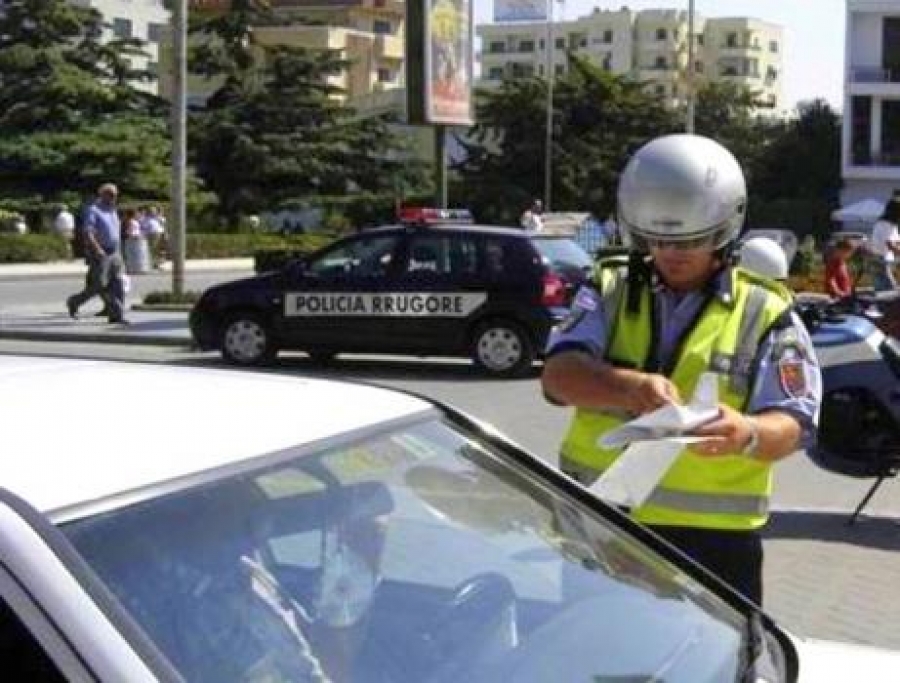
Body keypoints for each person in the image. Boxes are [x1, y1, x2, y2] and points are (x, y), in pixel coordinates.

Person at [541, 134, 822, 605]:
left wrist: (747, 431)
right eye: (660, 240)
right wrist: (627, 387)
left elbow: (795, 421)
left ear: (727, 227)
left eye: (694, 240)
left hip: (713, 545)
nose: (674, 254)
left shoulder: (765, 310)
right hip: (602, 521)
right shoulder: (608, 286)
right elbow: (558, 375)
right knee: (597, 669)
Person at [65, 183, 129, 325]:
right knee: (99, 285)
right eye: (111, 194)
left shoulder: (112, 210)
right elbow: (88, 232)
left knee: (117, 284)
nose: (114, 197)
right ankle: (74, 301)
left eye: (116, 195)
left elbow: (115, 232)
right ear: (103, 195)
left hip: (115, 252)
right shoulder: (93, 210)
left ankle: (116, 316)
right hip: (101, 252)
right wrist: (97, 249)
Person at [868, 195, 900, 292]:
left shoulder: (892, 225)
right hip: (879, 261)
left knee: (889, 290)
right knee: (888, 291)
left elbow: (897, 243)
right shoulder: (884, 224)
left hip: (886, 261)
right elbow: (890, 245)